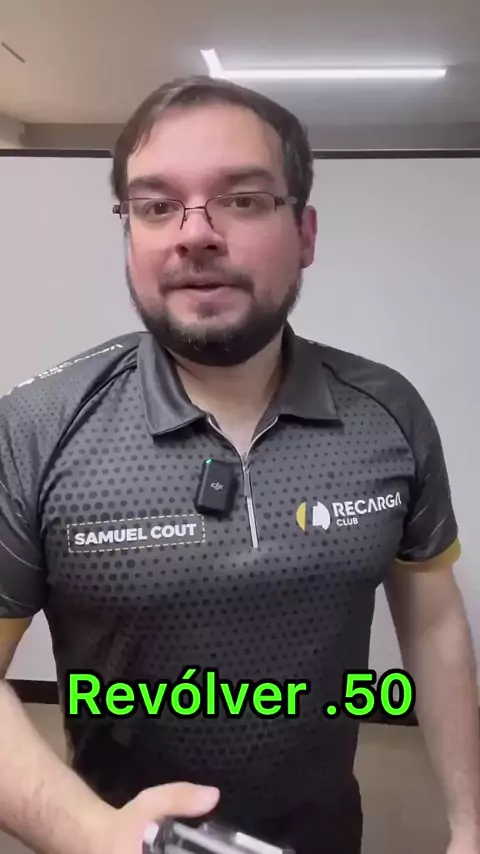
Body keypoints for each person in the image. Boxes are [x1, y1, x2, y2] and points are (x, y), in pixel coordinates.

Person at [0, 74, 479, 854]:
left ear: (306, 235)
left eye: (244, 199)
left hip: (327, 834)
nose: (194, 234)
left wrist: (470, 822)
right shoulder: (33, 431)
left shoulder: (389, 412)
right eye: (156, 205)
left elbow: (433, 620)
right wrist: (88, 833)